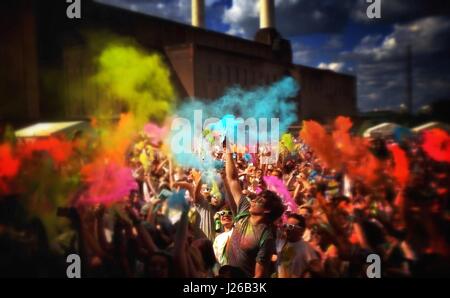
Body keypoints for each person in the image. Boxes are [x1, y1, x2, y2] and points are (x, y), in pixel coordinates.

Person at [224, 151, 285, 278]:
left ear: (267, 210)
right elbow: (233, 179)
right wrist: (228, 152)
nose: (253, 200)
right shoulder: (244, 211)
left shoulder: (266, 238)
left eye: (259, 201)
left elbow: (259, 275)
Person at [276, 213, 320, 278]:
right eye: (286, 226)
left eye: (291, 227)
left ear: (302, 230)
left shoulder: (306, 248)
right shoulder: (280, 243)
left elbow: (317, 269)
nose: (287, 229)